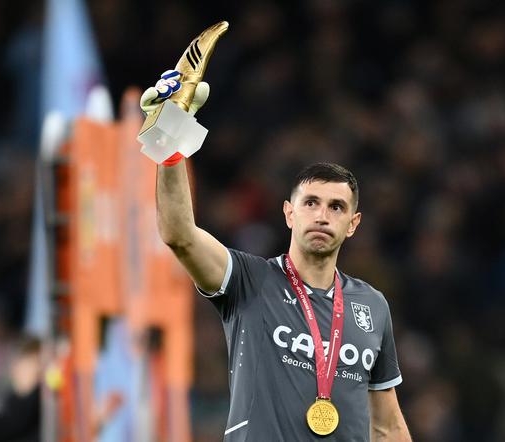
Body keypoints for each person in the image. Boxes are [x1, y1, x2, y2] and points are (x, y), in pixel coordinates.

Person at [140, 70, 411, 440]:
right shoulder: (249, 280)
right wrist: (169, 142)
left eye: (336, 207)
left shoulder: (372, 306)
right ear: (289, 213)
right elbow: (179, 235)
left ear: (353, 223)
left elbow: (388, 426)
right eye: (311, 203)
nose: (321, 215)